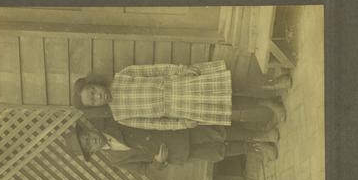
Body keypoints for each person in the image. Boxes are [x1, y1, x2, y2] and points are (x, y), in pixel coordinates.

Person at [72, 60, 288, 131]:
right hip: (182, 109)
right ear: (95, 107)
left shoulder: (123, 76)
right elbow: (155, 125)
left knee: (230, 87)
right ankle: (268, 106)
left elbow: (157, 70)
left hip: (182, 85)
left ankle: (270, 91)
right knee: (229, 109)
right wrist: (182, 124)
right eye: (92, 101)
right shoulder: (120, 116)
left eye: (93, 91)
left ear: (95, 84)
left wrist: (181, 70)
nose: (97, 97)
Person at [63, 120, 278, 176]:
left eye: (88, 138)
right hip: (178, 155)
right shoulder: (116, 161)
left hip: (177, 132)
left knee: (219, 133)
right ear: (91, 153)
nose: (93, 141)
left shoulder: (115, 122)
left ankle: (261, 134)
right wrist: (158, 163)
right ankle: (257, 148)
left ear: (90, 131)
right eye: (88, 146)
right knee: (218, 152)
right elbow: (144, 170)